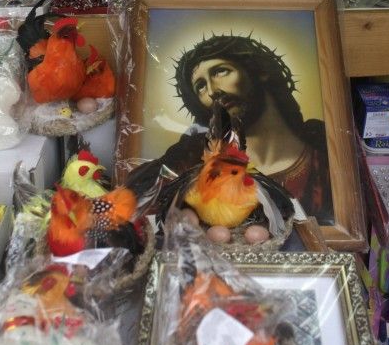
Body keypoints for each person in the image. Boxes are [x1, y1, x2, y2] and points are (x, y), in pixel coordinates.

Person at [129, 34, 332, 221]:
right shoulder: (189, 161)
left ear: (259, 70)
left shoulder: (327, 155)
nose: (212, 91)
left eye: (220, 71)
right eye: (200, 86)